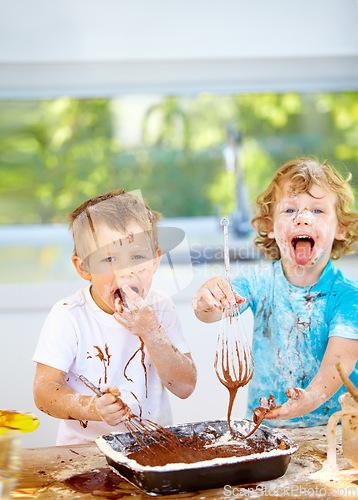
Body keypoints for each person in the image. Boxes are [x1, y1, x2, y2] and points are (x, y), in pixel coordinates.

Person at [192, 158, 358, 427]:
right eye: (290, 210)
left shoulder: (349, 297)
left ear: (340, 228)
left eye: (317, 211)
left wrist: (308, 398)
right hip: (264, 430)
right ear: (270, 226)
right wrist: (207, 298)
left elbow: (336, 366)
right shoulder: (258, 282)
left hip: (331, 434)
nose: (302, 219)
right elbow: (212, 312)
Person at [33, 190, 197, 445]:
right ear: (83, 267)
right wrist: (92, 407)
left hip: (153, 451)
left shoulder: (161, 308)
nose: (125, 271)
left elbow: (185, 387)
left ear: (155, 260)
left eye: (137, 256)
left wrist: (152, 332)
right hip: (84, 458)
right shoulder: (69, 316)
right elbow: (43, 392)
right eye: (109, 258)